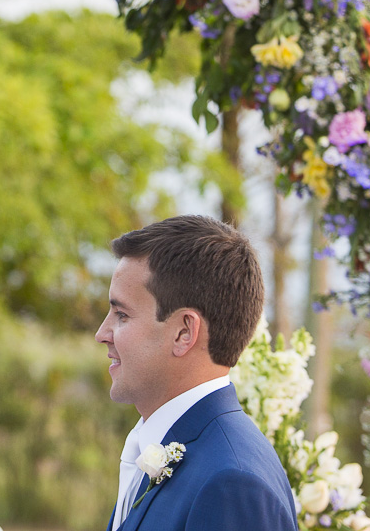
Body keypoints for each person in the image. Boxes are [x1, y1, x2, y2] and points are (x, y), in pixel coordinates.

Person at [95, 215, 298, 531]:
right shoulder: (179, 448)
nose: (102, 333)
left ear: (184, 332)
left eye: (122, 315)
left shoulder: (232, 484)